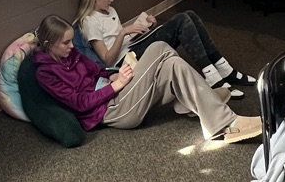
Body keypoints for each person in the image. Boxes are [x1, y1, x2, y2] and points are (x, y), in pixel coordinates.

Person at [33, 15, 262, 143]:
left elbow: (96, 71)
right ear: (48, 45)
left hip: (115, 92)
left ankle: (201, 106)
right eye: (65, 43)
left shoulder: (69, 53)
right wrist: (116, 85)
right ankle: (217, 115)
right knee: (160, 47)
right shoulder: (45, 73)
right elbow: (80, 104)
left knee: (172, 63)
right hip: (111, 111)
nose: (72, 47)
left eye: (71, 41)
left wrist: (111, 75)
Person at [75, 0, 256, 97]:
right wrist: (123, 32)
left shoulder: (110, 10)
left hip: (132, 47)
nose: (112, 0)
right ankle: (213, 76)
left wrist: (144, 27)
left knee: (190, 14)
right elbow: (107, 60)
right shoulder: (90, 21)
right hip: (125, 62)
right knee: (182, 20)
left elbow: (121, 39)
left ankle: (224, 69)